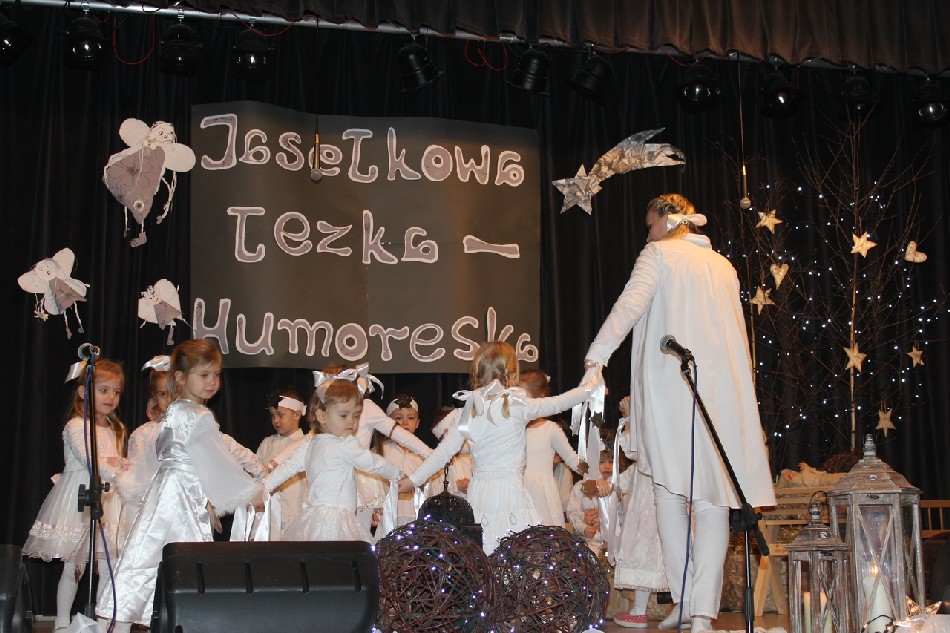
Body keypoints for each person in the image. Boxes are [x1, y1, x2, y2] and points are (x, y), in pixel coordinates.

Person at [584, 194, 776, 632]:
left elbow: (628, 306)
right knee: (711, 502)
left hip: (670, 388)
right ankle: (700, 610)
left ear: (668, 221)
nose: (647, 235)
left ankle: (690, 600)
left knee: (669, 493)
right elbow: (737, 335)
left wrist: (596, 356)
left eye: (650, 225)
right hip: (719, 393)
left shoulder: (658, 255)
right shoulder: (723, 265)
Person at [96, 339, 264, 633]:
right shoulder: (197, 415)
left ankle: (117, 620)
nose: (212, 382)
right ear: (181, 378)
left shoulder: (176, 410)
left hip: (168, 493)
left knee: (146, 556)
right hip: (180, 498)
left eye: (216, 375)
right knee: (178, 559)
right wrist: (250, 492)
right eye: (204, 375)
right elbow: (217, 460)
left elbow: (169, 455)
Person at [407, 341, 599, 553]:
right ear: (512, 373)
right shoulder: (516, 405)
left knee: (485, 552)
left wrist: (413, 480)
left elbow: (443, 453)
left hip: (480, 493)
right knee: (514, 554)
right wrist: (592, 386)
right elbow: (558, 403)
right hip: (510, 492)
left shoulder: (468, 411)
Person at [23, 359, 127, 633]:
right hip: (81, 498)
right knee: (74, 566)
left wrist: (123, 468)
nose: (111, 397)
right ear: (84, 392)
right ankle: (61, 623)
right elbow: (90, 460)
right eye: (104, 390)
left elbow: (114, 462)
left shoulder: (116, 428)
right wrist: (122, 472)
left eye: (116, 392)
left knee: (108, 565)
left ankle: (104, 622)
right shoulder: (76, 425)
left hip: (109, 499)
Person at [262, 375, 412, 542]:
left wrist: (263, 488)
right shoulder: (343, 445)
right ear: (322, 416)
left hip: (313, 520)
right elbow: (374, 463)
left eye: (356, 415)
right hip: (337, 520)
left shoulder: (310, 444)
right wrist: (399, 475)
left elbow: (286, 468)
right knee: (340, 555)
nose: (351, 422)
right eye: (343, 415)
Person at [612, 396, 668, 629]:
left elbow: (636, 450)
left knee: (646, 548)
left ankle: (639, 611)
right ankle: (688, 608)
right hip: (662, 488)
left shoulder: (657, 420)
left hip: (652, 495)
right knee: (654, 550)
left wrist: (629, 418)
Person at [114, 356, 173, 547]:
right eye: (163, 394)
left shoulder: (193, 426)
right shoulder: (144, 433)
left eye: (175, 392)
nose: (169, 399)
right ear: (154, 398)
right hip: (150, 503)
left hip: (182, 503)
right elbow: (136, 471)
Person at [520, 369, 588, 527]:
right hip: (519, 492)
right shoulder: (515, 428)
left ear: (540, 398)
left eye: (522, 396)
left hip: (542, 495)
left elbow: (573, 459)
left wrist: (594, 475)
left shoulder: (550, 429)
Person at [254, 386, 309, 537]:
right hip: (267, 517)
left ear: (297, 414)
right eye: (273, 416)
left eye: (280, 415)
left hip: (293, 516)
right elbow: (257, 474)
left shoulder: (306, 444)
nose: (276, 420)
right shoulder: (267, 443)